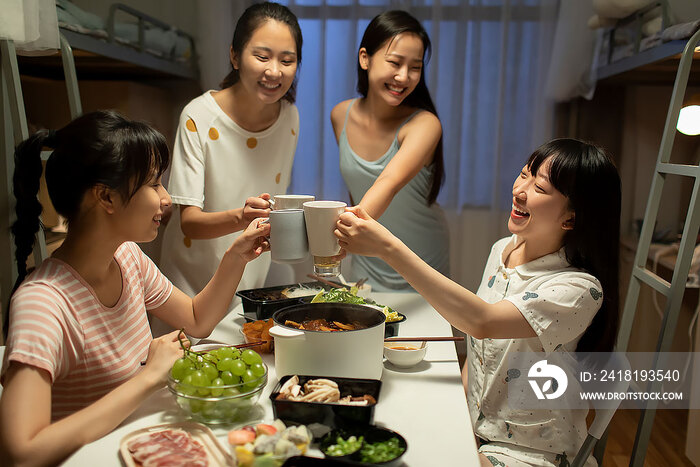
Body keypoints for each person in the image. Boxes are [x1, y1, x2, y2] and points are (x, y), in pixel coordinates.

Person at [0, 110, 270, 465]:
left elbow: (196, 319)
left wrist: (237, 255)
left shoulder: (128, 258)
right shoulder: (42, 304)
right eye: (154, 183)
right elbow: (21, 453)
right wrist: (148, 378)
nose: (167, 198)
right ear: (106, 198)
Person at [335, 138, 621, 466]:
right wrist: (458, 414)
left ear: (570, 219)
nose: (520, 190)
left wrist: (388, 248)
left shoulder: (579, 289)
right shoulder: (503, 250)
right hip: (477, 432)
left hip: (533, 454)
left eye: (540, 187)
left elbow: (482, 321)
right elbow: (477, 349)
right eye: (524, 174)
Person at [158, 2, 302, 328]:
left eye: (287, 60)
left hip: (248, 281)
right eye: (262, 57)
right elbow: (189, 223)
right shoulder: (198, 116)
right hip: (191, 283)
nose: (274, 71)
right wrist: (241, 217)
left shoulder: (290, 118)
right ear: (235, 56)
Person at [330, 10, 449, 292]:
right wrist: (349, 239)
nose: (403, 76)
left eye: (415, 67)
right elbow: (357, 188)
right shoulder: (340, 115)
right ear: (365, 58)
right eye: (394, 62)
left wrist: (341, 236)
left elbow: (387, 182)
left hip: (419, 260)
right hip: (367, 259)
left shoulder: (425, 124)